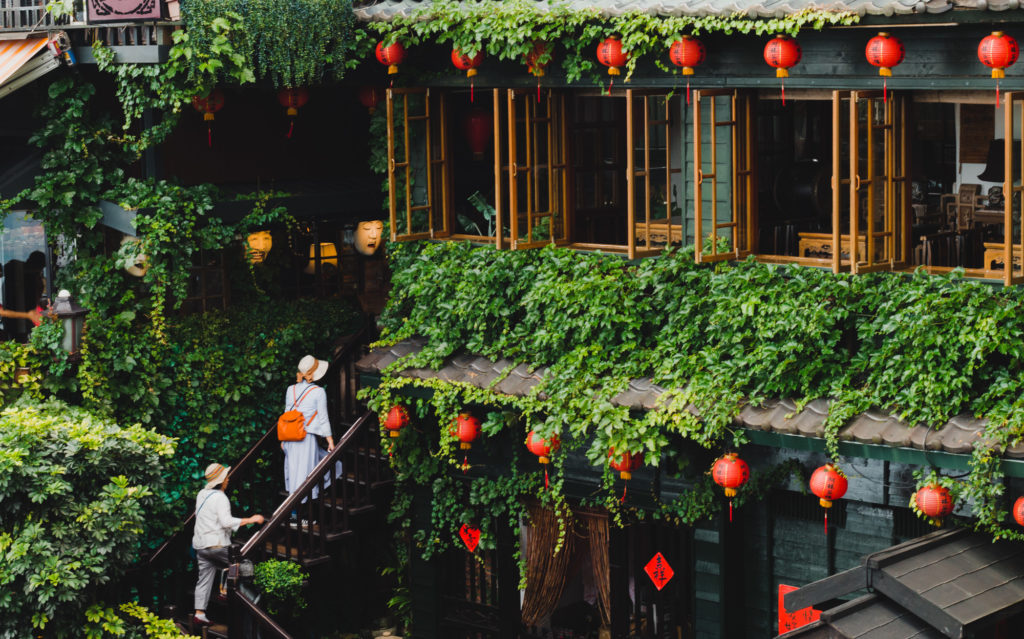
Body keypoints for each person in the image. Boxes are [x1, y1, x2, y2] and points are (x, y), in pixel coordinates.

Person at [192, 462, 264, 627]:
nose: (228, 479)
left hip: (201, 545)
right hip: (217, 544)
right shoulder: (220, 498)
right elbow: (226, 522)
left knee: (204, 578)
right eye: (226, 477)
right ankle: (225, 590)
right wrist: (251, 519)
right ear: (221, 480)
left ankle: (199, 613)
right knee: (240, 561)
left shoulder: (202, 494)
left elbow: (199, 515)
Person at [282, 354, 334, 496]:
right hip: (306, 437)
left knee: (295, 471)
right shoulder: (318, 392)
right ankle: (304, 506)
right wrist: (330, 441)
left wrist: (283, 440)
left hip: (290, 437)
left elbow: (286, 415)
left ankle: (294, 511)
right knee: (306, 471)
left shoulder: (290, 389)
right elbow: (323, 419)